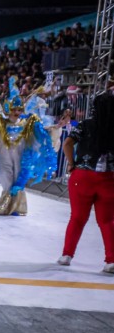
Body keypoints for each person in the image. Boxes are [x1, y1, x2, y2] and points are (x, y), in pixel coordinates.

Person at [0, 77, 57, 216]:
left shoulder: (26, 125)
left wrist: (55, 128)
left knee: (18, 181)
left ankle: (17, 206)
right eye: (14, 109)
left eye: (20, 110)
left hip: (20, 157)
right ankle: (7, 204)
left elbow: (39, 137)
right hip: (3, 156)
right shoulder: (0, 124)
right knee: (6, 180)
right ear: (9, 109)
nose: (17, 112)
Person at [57, 92, 114, 274]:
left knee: (78, 218)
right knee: (107, 221)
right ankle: (111, 260)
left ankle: (67, 255)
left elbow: (67, 143)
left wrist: (72, 164)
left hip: (82, 177)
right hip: (109, 179)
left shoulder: (85, 125)